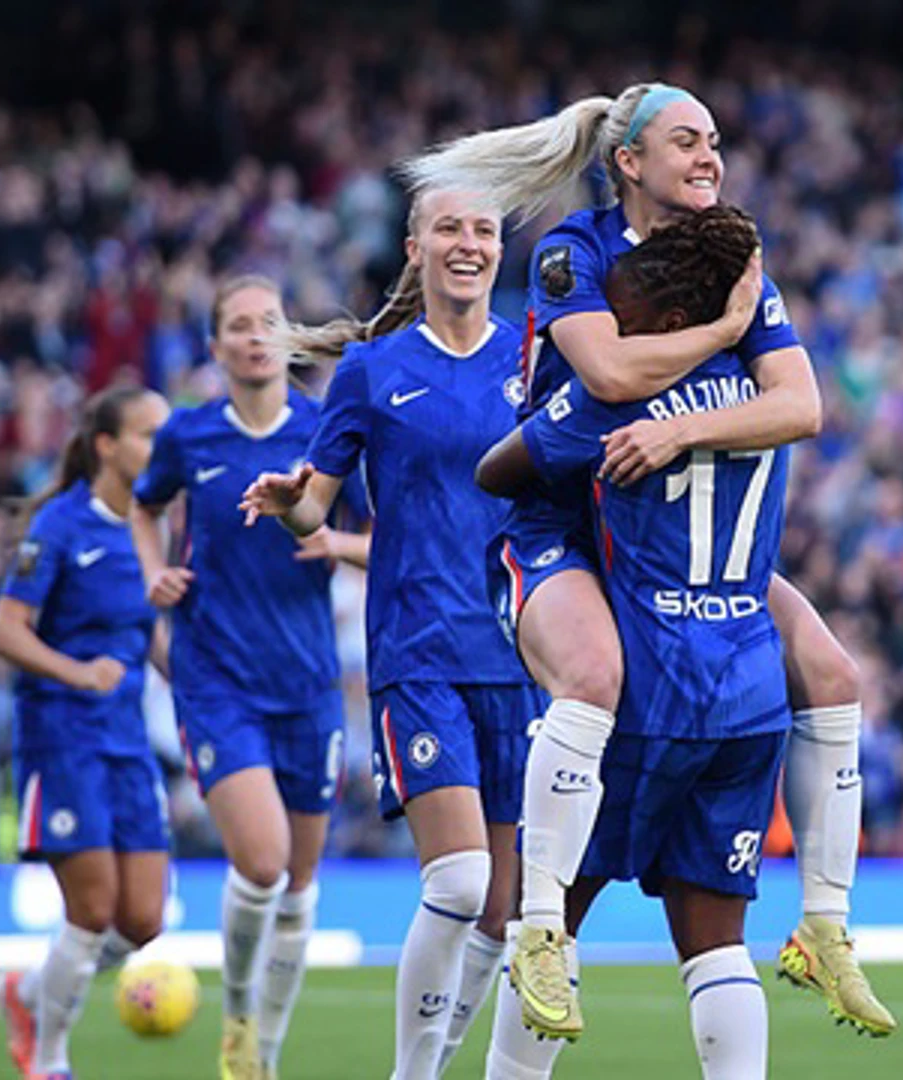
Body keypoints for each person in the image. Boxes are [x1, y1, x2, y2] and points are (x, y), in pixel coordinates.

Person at [402, 82, 892, 1038]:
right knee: (594, 672)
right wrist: (723, 338)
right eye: (686, 142)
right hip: (566, 517)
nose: (710, 157)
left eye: (715, 141)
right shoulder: (575, 252)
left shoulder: (733, 262)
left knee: (832, 673)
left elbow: (800, 405)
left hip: (674, 537)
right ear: (629, 162)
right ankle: (540, 927)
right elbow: (613, 374)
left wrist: (683, 429)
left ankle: (826, 925)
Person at [476, 206, 794, 1079]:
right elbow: (804, 409)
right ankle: (830, 920)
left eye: (623, 308)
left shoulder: (618, 397)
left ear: (665, 317)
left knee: (549, 922)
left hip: (648, 681)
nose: (607, 321)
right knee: (717, 944)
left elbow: (498, 470)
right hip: (748, 691)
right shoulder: (765, 398)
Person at [240, 187, 540, 1080]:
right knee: (459, 883)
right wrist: (295, 506)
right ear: (415, 247)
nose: (468, 244)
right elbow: (319, 507)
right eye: (449, 229)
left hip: (521, 655)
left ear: (500, 249)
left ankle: (436, 1067)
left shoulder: (536, 356)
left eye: (483, 231)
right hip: (421, 653)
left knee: (504, 914)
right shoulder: (372, 370)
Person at [130, 274, 369, 1080]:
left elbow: (389, 535)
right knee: (263, 864)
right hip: (216, 679)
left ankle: (265, 1050)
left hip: (306, 683)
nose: (256, 335)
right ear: (216, 346)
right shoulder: (189, 436)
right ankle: (237, 1017)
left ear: (289, 336)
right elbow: (143, 507)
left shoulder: (325, 433)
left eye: (269, 321)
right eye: (239, 325)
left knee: (299, 887)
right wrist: (153, 571)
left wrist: (338, 545)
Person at [0, 385, 173, 1080]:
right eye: (148, 434)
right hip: (62, 735)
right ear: (107, 446)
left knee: (143, 919)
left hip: (126, 738)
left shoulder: (151, 528)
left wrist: (197, 684)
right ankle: (50, 1058)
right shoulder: (60, 525)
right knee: (91, 909)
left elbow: (148, 630)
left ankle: (30, 992)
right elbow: (4, 630)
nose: (161, 446)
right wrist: (77, 672)